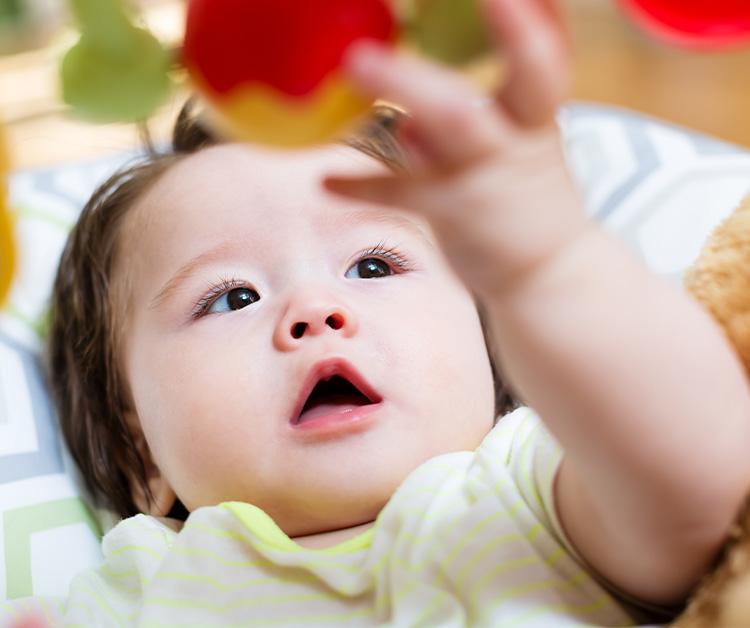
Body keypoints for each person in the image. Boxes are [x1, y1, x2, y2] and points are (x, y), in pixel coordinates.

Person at [7, 0, 750, 625]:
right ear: (140, 452)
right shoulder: (130, 591)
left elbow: (702, 475)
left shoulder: (523, 494)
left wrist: (548, 266)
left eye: (373, 266)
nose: (315, 311)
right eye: (232, 297)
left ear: (495, 359)